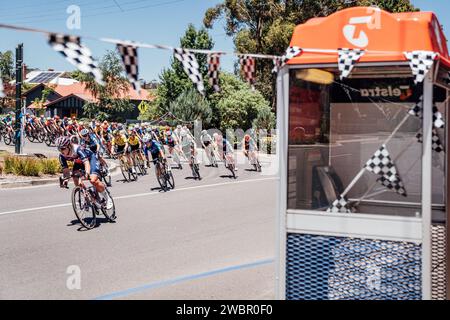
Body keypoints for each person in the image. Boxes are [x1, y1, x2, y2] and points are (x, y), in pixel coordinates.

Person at [55, 136, 113, 209]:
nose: (61, 151)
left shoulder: (77, 149)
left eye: (63, 148)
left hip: (90, 159)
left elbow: (86, 163)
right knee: (75, 178)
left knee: (93, 180)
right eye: (59, 149)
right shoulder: (62, 156)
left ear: (69, 146)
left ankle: (107, 197)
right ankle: (87, 198)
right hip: (79, 162)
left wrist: (87, 173)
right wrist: (66, 179)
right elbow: (66, 171)